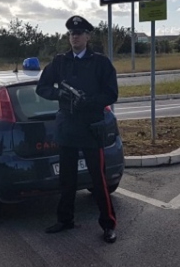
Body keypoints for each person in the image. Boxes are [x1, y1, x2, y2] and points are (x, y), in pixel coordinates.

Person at [36, 15, 119, 243]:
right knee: (67, 179)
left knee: (98, 180)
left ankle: (108, 224)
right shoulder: (61, 61)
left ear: (88, 36)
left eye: (79, 33)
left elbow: (111, 94)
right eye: (72, 34)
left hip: (91, 126)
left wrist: (89, 101)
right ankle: (65, 220)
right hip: (67, 127)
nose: (75, 37)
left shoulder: (100, 63)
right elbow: (41, 88)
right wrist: (58, 94)